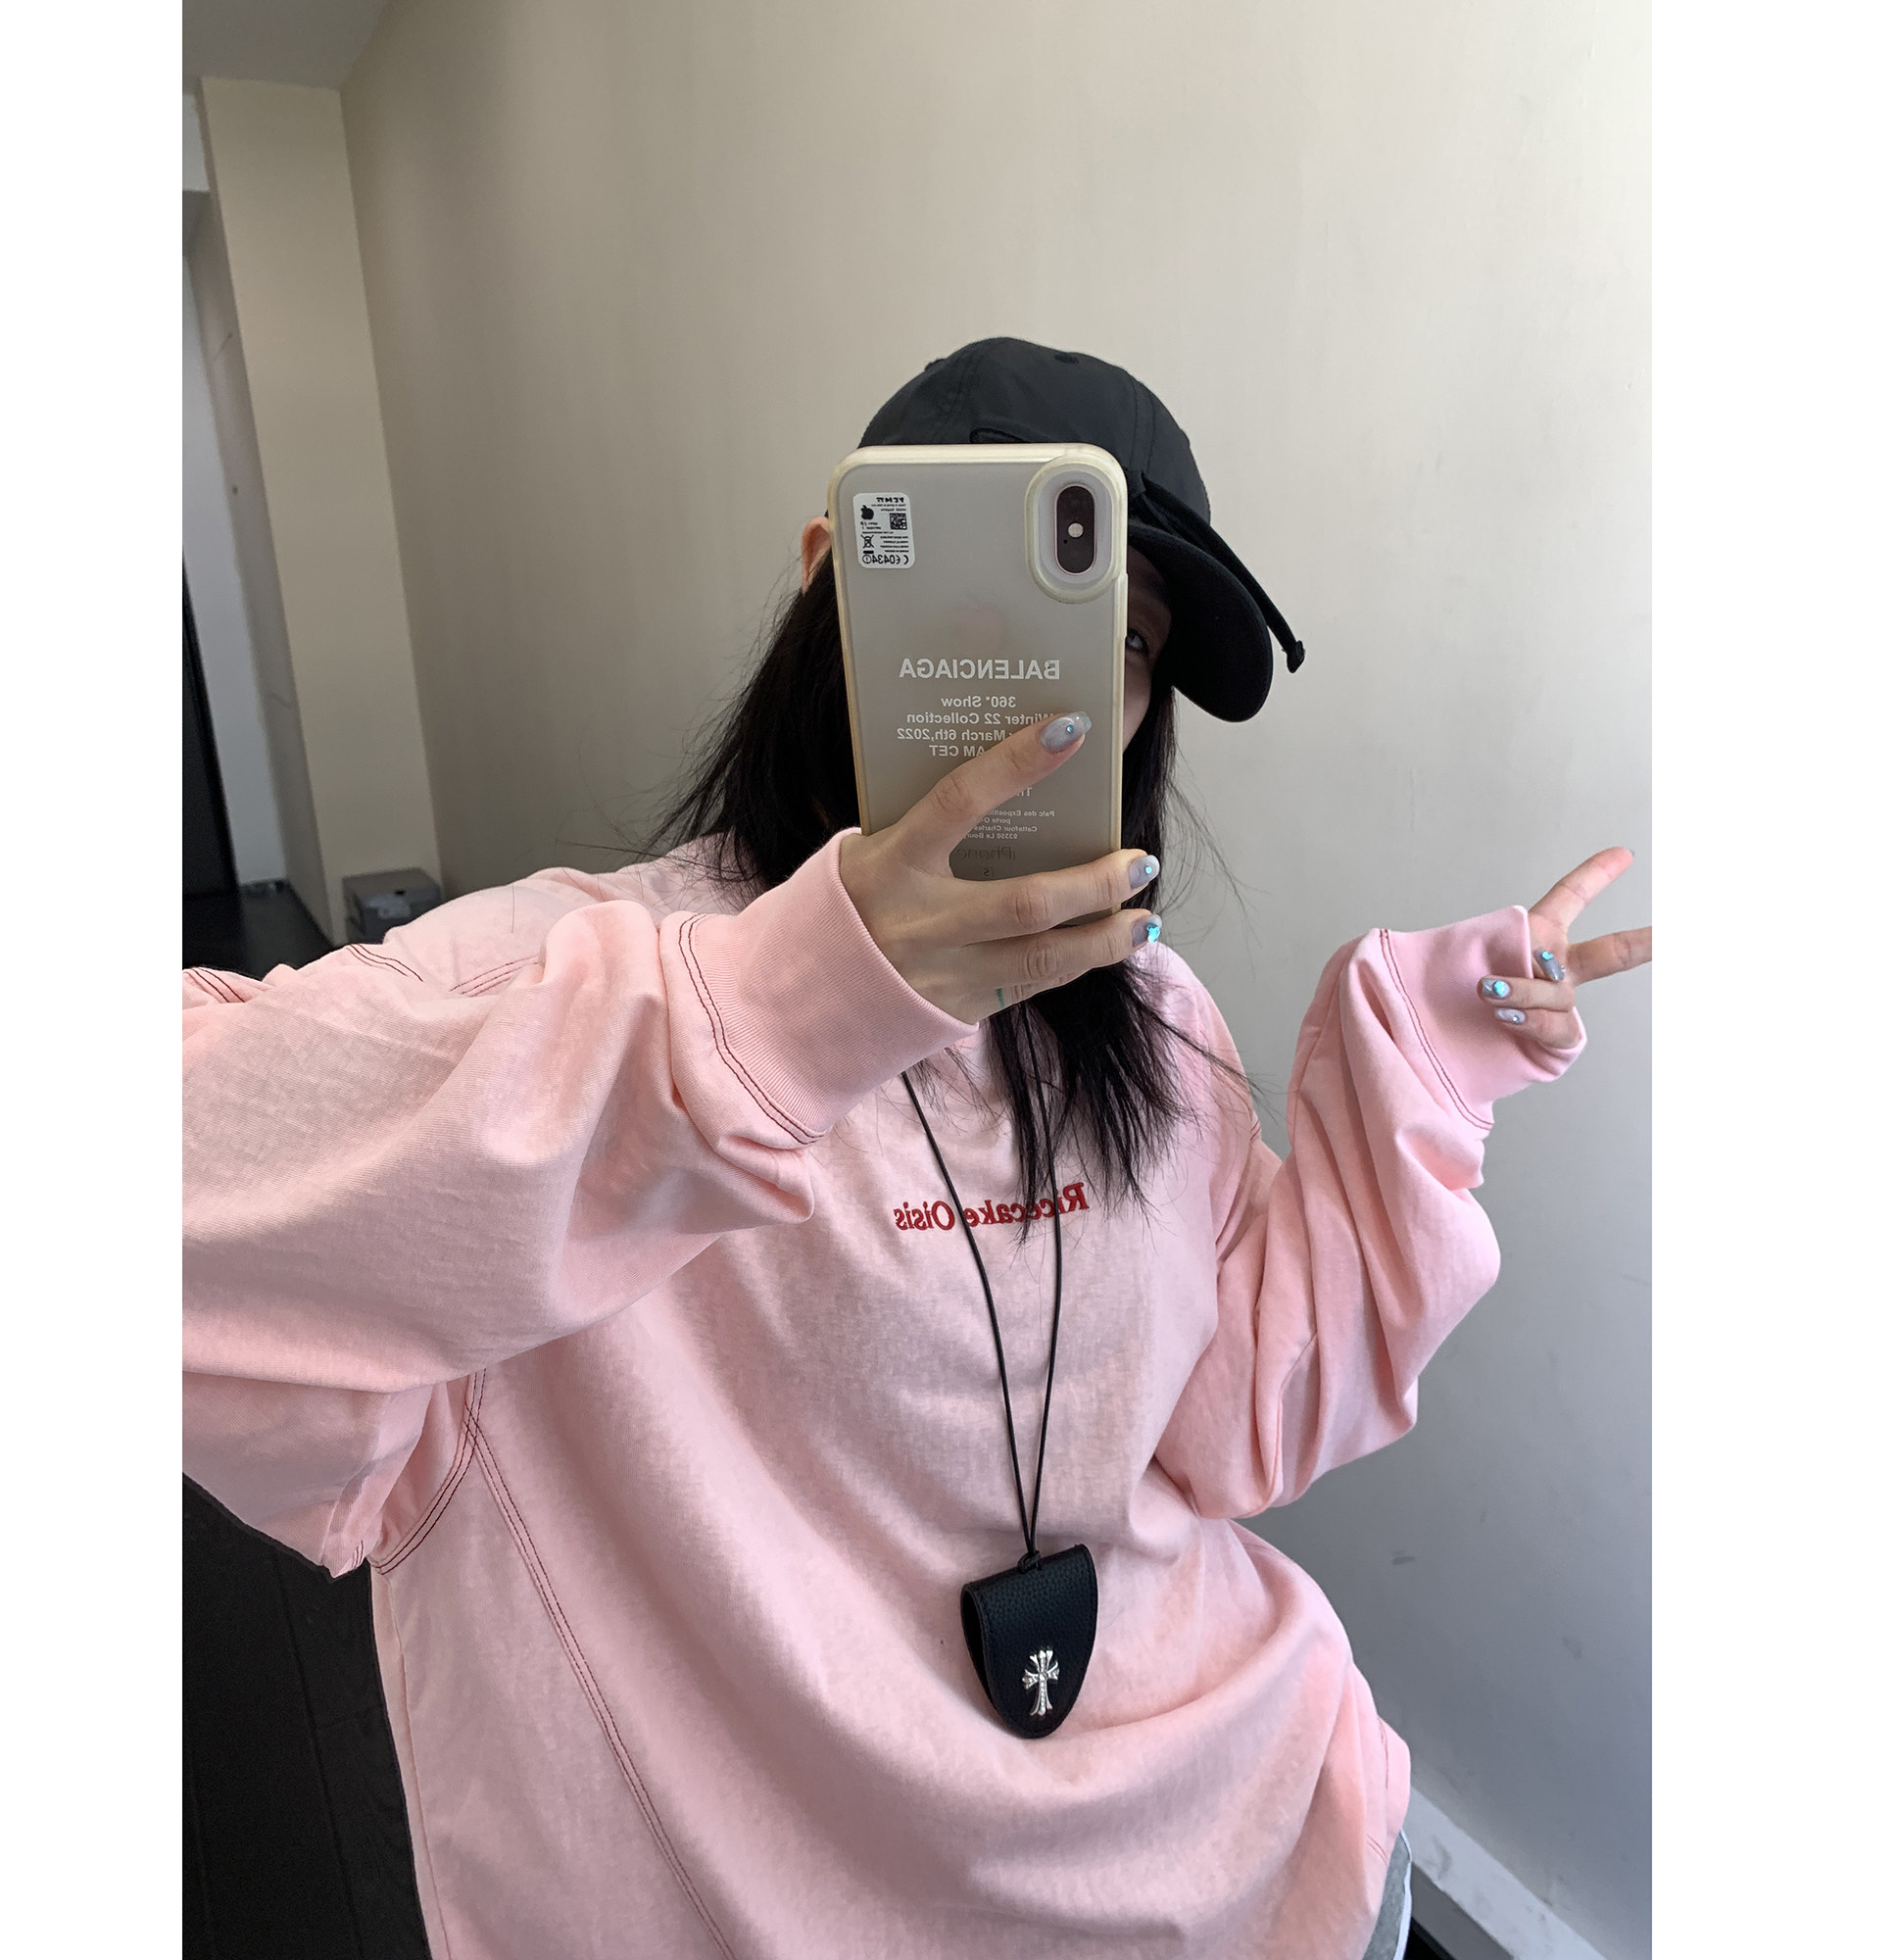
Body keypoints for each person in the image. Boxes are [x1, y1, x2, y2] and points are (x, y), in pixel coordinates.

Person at [183, 338, 1649, 1960]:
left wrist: (1425, 1071)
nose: (1069, 690)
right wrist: (786, 1019)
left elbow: (1237, 1418)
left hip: (1251, 1855)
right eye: (1010, 603)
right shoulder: (565, 983)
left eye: (1130, 641)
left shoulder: (1148, 1016)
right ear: (834, 579)